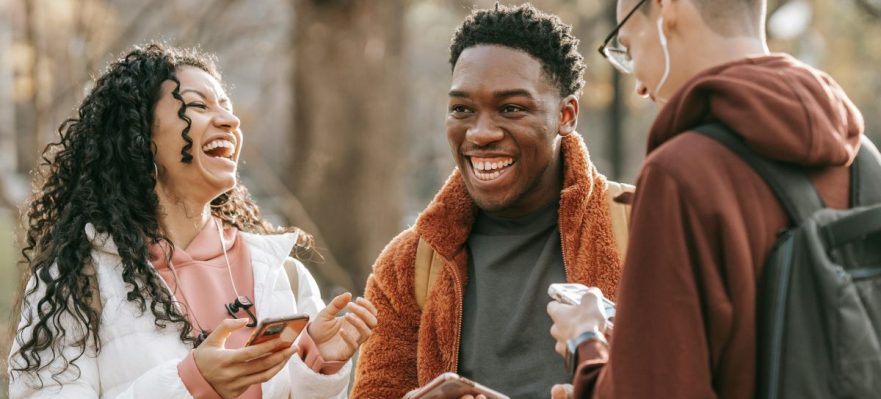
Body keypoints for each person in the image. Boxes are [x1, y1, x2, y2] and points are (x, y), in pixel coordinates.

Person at [7, 43, 377, 399]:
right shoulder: (79, 278)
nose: (230, 120)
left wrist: (319, 366)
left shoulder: (284, 274)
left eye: (227, 107)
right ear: (140, 138)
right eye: (198, 106)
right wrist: (191, 384)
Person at [547, 0, 870, 398]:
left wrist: (585, 343)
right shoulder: (862, 159)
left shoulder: (681, 175)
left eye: (627, 49)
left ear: (668, 10)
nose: (640, 86)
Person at [352, 4, 631, 398]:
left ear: (566, 115)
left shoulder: (643, 228)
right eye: (462, 109)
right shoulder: (408, 266)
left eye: (511, 108)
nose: (480, 133)